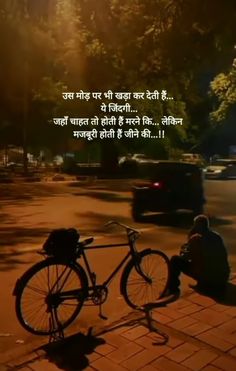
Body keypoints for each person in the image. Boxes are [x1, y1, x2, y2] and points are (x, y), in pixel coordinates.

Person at [168, 214, 230, 297]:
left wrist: (185, 248)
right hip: (222, 278)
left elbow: (185, 257)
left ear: (196, 226)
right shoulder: (216, 236)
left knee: (175, 260)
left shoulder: (196, 239)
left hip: (208, 280)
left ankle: (173, 288)